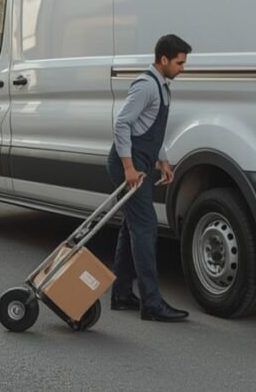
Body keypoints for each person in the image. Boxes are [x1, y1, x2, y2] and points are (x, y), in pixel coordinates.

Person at [107, 34, 192, 322]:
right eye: (179, 63)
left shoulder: (163, 86)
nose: (183, 68)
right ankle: (152, 303)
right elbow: (122, 124)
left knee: (132, 226)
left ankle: (120, 294)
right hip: (127, 163)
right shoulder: (146, 86)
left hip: (143, 160)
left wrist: (163, 160)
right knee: (146, 228)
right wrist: (129, 168)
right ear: (163, 59)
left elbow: (152, 129)